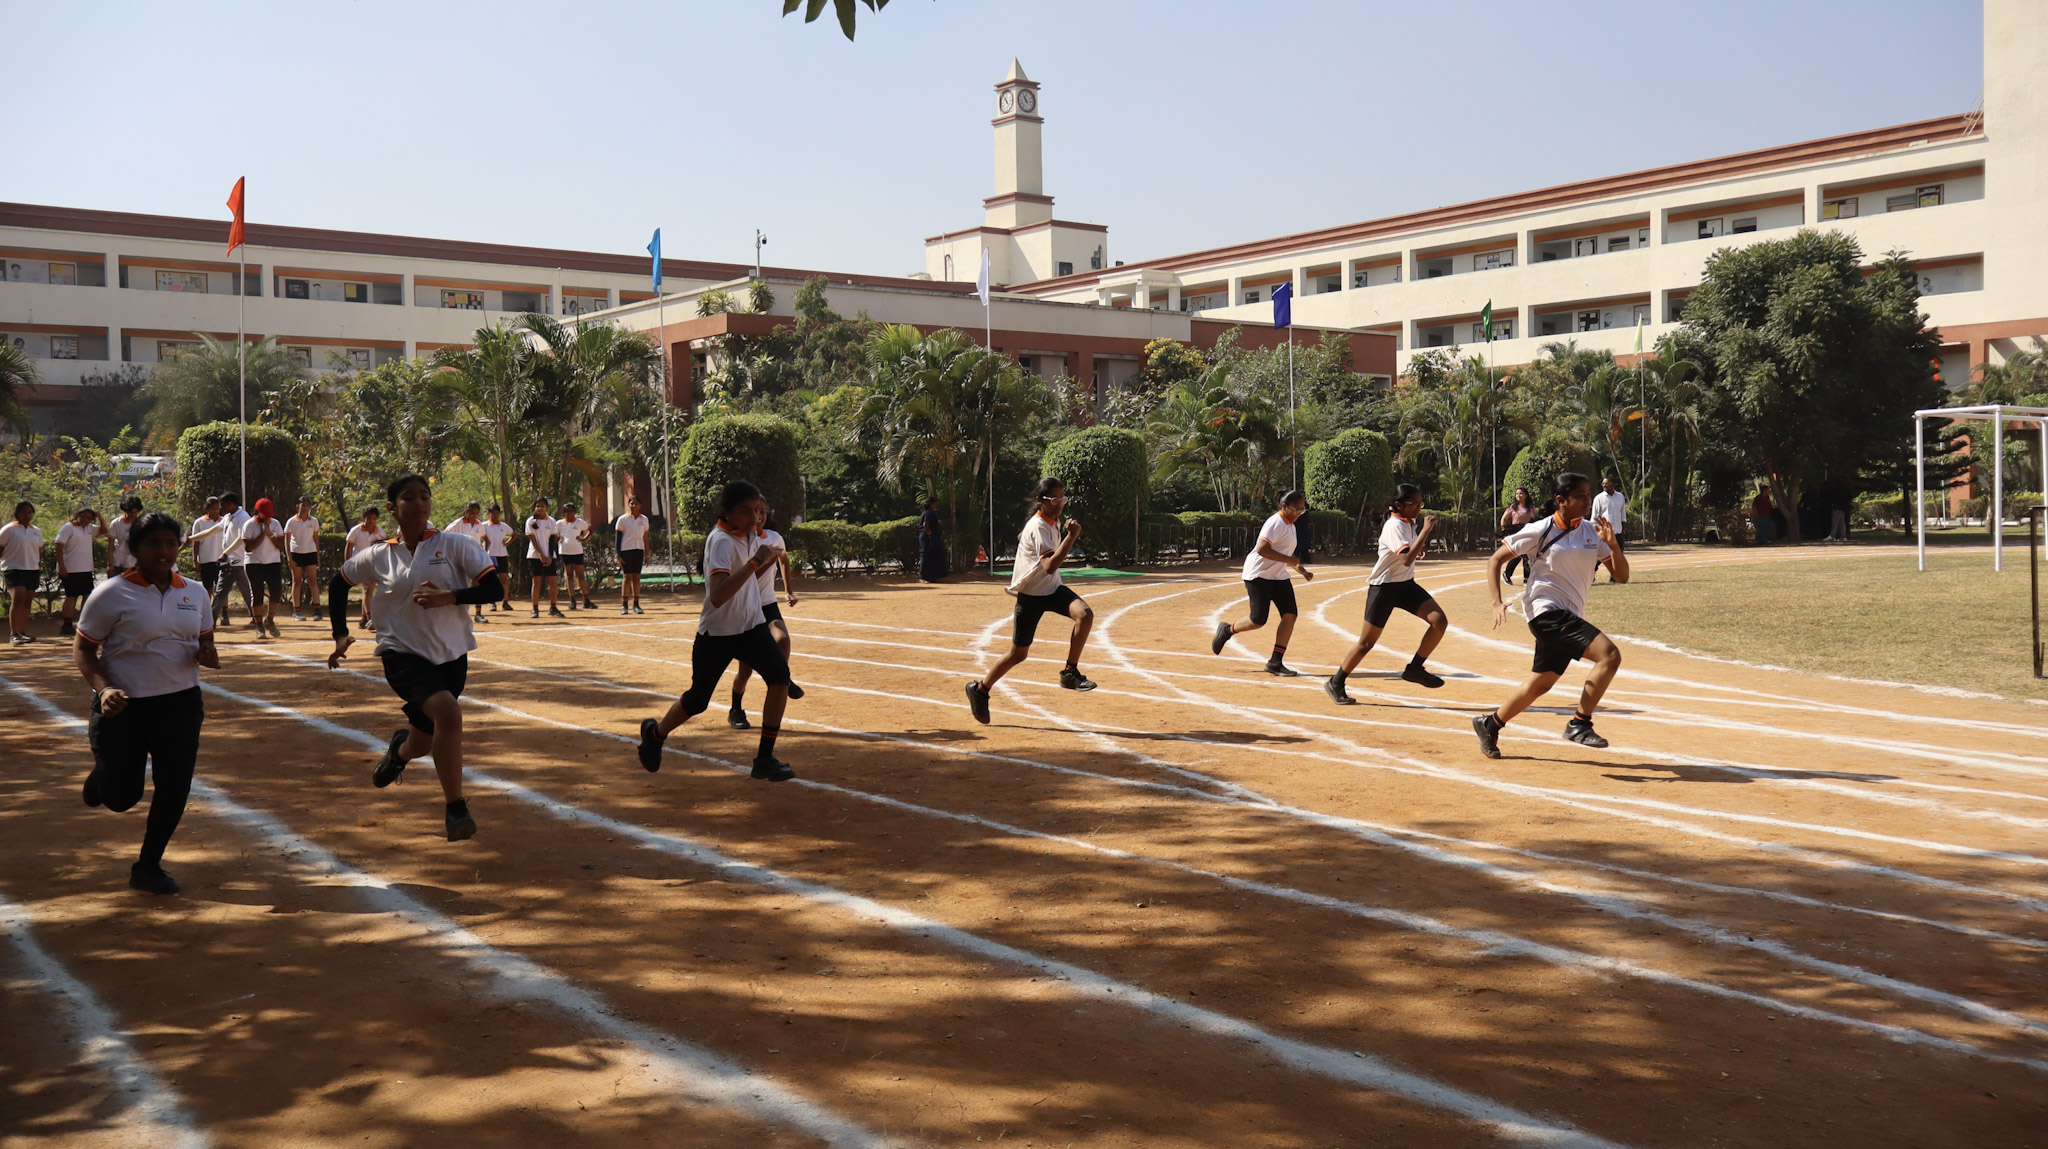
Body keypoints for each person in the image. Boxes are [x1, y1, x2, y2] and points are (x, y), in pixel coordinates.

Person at [326, 474, 504, 841]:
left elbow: (494, 588)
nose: (420, 502)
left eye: (425, 496)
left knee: (425, 739)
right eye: (409, 497)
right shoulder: (379, 554)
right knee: (449, 714)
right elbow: (338, 584)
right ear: (392, 507)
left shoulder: (456, 545)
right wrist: (340, 634)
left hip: (451, 655)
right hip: (401, 653)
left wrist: (450, 596)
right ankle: (455, 808)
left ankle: (400, 753)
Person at [74, 511, 218, 894]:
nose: (164, 551)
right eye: (154, 543)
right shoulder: (110, 593)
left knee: (175, 786)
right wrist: (104, 690)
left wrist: (206, 651)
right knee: (123, 798)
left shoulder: (195, 592)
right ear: (135, 547)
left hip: (180, 704)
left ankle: (148, 866)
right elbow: (84, 650)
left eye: (171, 543)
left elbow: (203, 637)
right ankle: (104, 778)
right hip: (123, 706)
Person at [635, 481, 796, 782]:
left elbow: (747, 579)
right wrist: (756, 561)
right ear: (728, 512)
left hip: (751, 627)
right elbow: (719, 596)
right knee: (697, 701)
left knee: (780, 678)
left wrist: (765, 561)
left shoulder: (749, 536)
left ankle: (764, 758)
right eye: (746, 511)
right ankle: (655, 736)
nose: (754, 518)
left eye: (758, 511)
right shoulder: (721, 540)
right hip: (719, 634)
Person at [1473, 472, 1630, 758]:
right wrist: (1496, 602)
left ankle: (1489, 724)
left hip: (1568, 614)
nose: (1587, 501)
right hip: (1545, 611)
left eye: (1588, 495)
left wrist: (1613, 545)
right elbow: (1495, 560)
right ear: (1561, 500)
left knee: (1542, 682)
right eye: (1580, 496)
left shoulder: (1593, 532)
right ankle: (1579, 723)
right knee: (1609, 655)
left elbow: (1621, 576)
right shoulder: (1540, 529)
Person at [962, 477, 1095, 725]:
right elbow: (1049, 566)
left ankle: (1069, 672)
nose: (1059, 504)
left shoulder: (1051, 521)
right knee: (1018, 654)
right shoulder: (1039, 526)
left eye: (1062, 499)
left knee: (1084, 614)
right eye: (1054, 499)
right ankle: (979, 690)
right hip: (1032, 596)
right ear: (1040, 501)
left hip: (1052, 589)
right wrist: (1072, 537)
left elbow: (1041, 556)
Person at [1326, 484, 1448, 704]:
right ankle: (1336, 681)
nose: (1418, 508)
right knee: (1366, 643)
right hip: (1384, 588)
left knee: (1439, 621)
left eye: (1420, 503)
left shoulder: (1409, 522)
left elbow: (1409, 552)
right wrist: (1425, 532)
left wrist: (1418, 546)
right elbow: (1406, 559)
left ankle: (1415, 669)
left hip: (1405, 585)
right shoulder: (1394, 525)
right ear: (1398, 505)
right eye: (1413, 504)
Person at [1211, 489, 1314, 676]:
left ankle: (1275, 662)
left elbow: (1287, 554)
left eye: (1302, 510)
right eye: (1296, 509)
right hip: (1258, 574)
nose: (1299, 513)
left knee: (1290, 615)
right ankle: (1227, 630)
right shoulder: (1276, 522)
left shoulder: (1290, 525)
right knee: (1258, 619)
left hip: (1278, 575)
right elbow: (1262, 549)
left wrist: (1302, 570)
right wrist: (1290, 560)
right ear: (1284, 506)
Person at [728, 505, 805, 728]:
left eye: (762, 513)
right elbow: (747, 578)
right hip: (747, 607)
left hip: (768, 603)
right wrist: (768, 560)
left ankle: (783, 677)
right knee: (746, 669)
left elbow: (784, 560)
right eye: (754, 512)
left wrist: (788, 591)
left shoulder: (774, 537)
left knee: (783, 640)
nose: (759, 517)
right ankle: (736, 710)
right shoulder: (741, 542)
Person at [240, 498, 289, 638]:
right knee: (257, 594)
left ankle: (270, 620)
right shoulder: (249, 525)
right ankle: (259, 626)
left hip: (273, 562)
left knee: (276, 593)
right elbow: (248, 548)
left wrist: (270, 535)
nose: (267, 518)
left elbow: (281, 546)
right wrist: (262, 534)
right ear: (257, 512)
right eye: (264, 515)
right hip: (254, 563)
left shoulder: (275, 523)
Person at [55, 507, 102, 638]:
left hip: (86, 569)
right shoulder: (68, 528)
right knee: (72, 596)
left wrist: (100, 517)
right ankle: (67, 625)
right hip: (71, 569)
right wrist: (61, 566)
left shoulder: (89, 528)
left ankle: (84, 623)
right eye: (84, 517)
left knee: (87, 596)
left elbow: (104, 531)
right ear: (78, 515)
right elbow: (58, 546)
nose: (86, 520)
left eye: (89, 518)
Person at [443, 502, 492, 623]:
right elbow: (443, 537)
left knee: (477, 585)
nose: (473, 516)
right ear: (466, 511)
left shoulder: (479, 524)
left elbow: (486, 540)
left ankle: (478, 613)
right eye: (471, 513)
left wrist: (483, 553)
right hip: (458, 559)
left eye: (476, 513)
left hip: (474, 559)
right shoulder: (457, 524)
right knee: (460, 586)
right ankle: (457, 614)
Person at [2, 501, 42, 645]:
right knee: (18, 598)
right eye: (24, 511)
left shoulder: (36, 530)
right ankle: (14, 634)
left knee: (27, 601)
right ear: (17, 513)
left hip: (32, 569)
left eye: (30, 512)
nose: (27, 515)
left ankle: (22, 633)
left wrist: (37, 564)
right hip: (13, 568)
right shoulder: (9, 529)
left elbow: (39, 549)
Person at [214, 492, 256, 628]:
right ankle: (211, 619)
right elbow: (214, 529)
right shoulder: (227, 517)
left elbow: (240, 539)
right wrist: (192, 538)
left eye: (222, 505)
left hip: (240, 561)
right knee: (221, 591)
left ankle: (256, 617)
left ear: (231, 504)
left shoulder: (243, 517)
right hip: (227, 561)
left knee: (247, 591)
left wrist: (225, 552)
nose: (220, 508)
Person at [343, 507, 385, 631]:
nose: (371, 521)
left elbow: (383, 549)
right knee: (367, 589)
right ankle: (371, 618)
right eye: (368, 518)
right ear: (364, 518)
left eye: (374, 518)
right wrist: (347, 563)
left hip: (373, 564)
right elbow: (348, 547)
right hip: (359, 563)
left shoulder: (380, 532)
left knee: (368, 591)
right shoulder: (356, 530)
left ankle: (364, 619)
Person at [186, 496, 231, 610]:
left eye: (217, 508)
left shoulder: (224, 521)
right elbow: (196, 542)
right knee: (208, 588)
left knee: (222, 589)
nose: (215, 511)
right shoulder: (199, 523)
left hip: (221, 560)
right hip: (206, 559)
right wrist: (195, 560)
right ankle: (207, 610)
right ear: (207, 509)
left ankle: (224, 612)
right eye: (213, 509)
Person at [524, 497, 563, 619]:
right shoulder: (530, 521)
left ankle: (553, 607)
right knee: (536, 581)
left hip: (549, 556)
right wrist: (541, 554)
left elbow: (552, 540)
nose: (540, 508)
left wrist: (550, 556)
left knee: (553, 581)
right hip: (534, 555)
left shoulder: (551, 521)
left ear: (547, 508)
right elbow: (533, 539)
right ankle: (535, 609)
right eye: (537, 506)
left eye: (542, 506)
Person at [285, 497, 322, 621]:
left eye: (307, 505)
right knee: (297, 581)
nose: (305, 508)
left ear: (310, 507)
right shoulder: (291, 521)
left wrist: (317, 557)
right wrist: (289, 558)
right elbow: (287, 540)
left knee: (313, 580)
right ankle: (296, 611)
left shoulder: (314, 521)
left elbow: (316, 539)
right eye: (303, 505)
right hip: (296, 553)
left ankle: (317, 610)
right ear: (298, 506)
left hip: (310, 553)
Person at [613, 495, 649, 615]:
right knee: (627, 577)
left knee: (636, 577)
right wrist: (618, 554)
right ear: (628, 505)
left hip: (638, 550)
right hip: (626, 550)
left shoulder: (644, 519)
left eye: (636, 503)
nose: (634, 506)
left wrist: (648, 554)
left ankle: (636, 604)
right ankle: (624, 605)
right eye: (631, 503)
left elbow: (645, 537)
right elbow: (618, 539)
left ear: (640, 505)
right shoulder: (622, 519)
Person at [557, 502, 594, 610]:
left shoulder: (579, 522)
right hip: (565, 551)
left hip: (577, 551)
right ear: (563, 513)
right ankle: (572, 600)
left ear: (574, 512)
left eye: (571, 511)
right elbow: (551, 533)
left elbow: (590, 529)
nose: (569, 514)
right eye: (566, 511)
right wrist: (557, 540)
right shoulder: (559, 523)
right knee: (569, 575)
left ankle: (586, 599)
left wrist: (584, 539)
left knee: (580, 575)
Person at [1498, 487, 1539, 585]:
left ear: (1526, 495)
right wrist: (1504, 531)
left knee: (1528, 554)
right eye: (1517, 494)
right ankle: (1507, 574)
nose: (1518, 495)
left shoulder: (1531, 507)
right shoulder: (1513, 507)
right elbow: (1504, 518)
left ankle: (1526, 578)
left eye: (1521, 493)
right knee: (1517, 554)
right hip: (1516, 532)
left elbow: (1535, 519)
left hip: (1528, 532)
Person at [1592, 478, 1628, 583]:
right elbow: (1594, 517)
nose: (1604, 486)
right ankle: (1591, 571)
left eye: (1607, 484)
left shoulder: (1620, 497)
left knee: (1618, 555)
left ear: (1613, 484)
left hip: (1618, 531)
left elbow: (1623, 515)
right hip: (1605, 533)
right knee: (1602, 555)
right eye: (1603, 484)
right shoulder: (1599, 498)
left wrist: (1622, 529)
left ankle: (1614, 578)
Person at [481, 504, 514, 611]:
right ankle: (492, 602)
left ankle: (505, 602)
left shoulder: (503, 526)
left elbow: (513, 535)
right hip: (490, 555)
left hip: (502, 555)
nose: (495, 515)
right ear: (489, 514)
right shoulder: (484, 525)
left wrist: (507, 543)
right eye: (493, 513)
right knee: (492, 580)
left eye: (497, 513)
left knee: (503, 579)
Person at [105, 496, 143, 578]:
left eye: (135, 512)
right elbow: (110, 545)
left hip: (134, 564)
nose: (133, 515)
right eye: (131, 512)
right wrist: (110, 564)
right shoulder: (116, 523)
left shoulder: (141, 524)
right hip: (118, 562)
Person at [917, 497, 949, 582]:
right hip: (928, 537)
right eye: (934, 503)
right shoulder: (929, 513)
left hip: (928, 536)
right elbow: (926, 524)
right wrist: (930, 534)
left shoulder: (927, 513)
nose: (936, 505)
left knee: (932, 556)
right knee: (926, 555)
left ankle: (931, 576)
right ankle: (923, 577)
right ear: (931, 505)